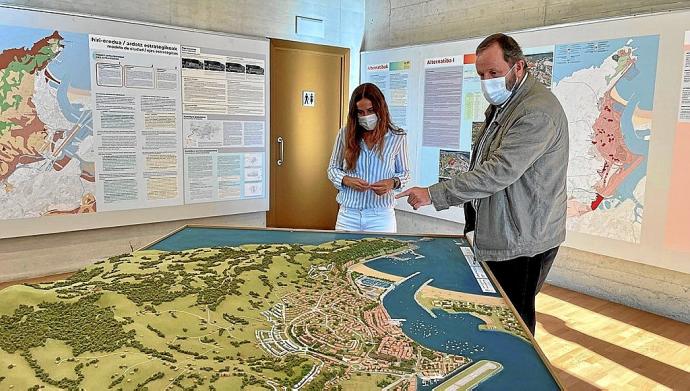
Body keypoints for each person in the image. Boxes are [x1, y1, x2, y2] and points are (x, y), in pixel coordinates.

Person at [396, 33, 569, 335]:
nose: (487, 81)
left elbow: (496, 173)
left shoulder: (535, 112)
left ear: (518, 67)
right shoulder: (506, 105)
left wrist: (433, 194)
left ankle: (517, 378)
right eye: (481, 74)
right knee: (493, 311)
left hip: (521, 241)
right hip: (499, 228)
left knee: (514, 321)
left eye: (493, 73)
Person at [327, 83, 410, 233]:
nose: (366, 117)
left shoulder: (397, 136)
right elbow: (332, 169)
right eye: (361, 112)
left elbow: (404, 173)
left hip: (381, 216)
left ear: (380, 109)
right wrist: (346, 180)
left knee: (383, 256)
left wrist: (392, 182)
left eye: (370, 111)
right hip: (349, 215)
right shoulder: (345, 134)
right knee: (344, 255)